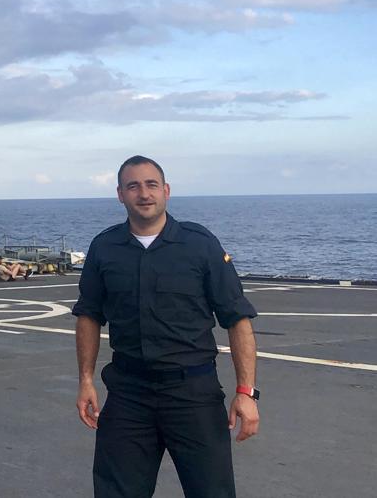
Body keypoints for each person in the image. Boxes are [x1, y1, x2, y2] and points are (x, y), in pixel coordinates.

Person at [72, 155, 260, 498]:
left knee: (212, 492)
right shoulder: (104, 248)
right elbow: (89, 315)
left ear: (166, 191)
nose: (144, 193)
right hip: (129, 393)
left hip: (193, 393)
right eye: (133, 186)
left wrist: (246, 393)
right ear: (120, 194)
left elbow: (237, 319)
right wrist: (85, 380)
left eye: (151, 184)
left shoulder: (200, 245)